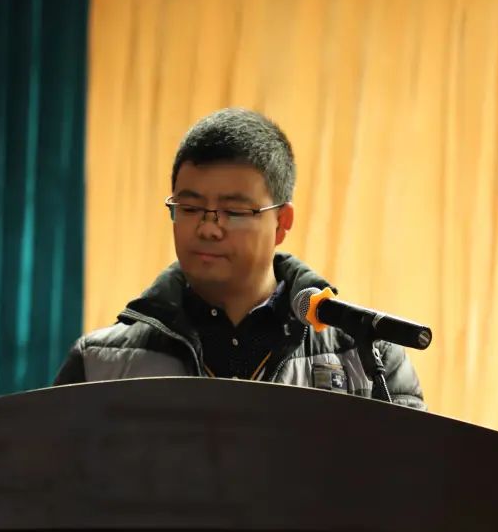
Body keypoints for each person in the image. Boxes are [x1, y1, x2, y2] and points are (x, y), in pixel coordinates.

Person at [54, 108, 425, 409]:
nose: (208, 228)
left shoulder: (367, 357)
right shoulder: (100, 362)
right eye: (190, 207)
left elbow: (412, 473)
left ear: (282, 223)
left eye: (233, 212)